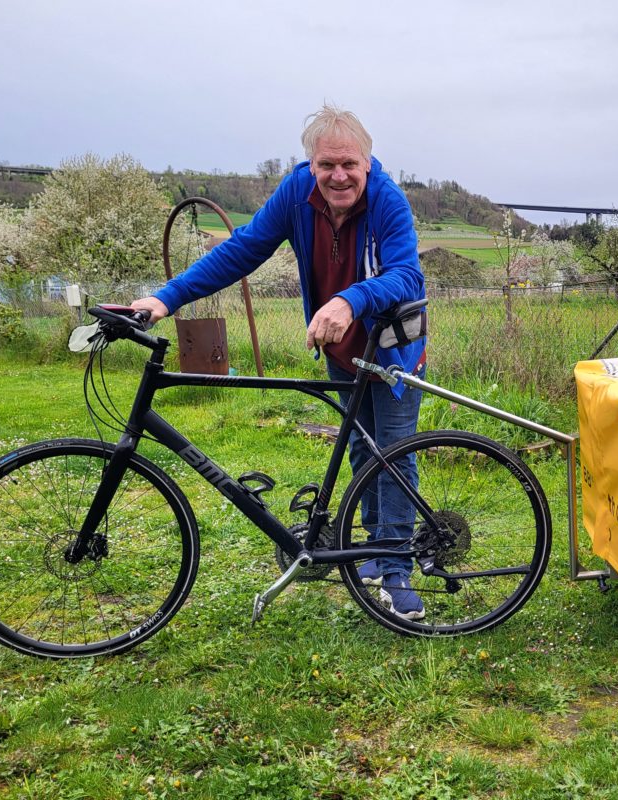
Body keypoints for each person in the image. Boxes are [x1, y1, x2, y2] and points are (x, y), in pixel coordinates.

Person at [131, 104, 427, 619]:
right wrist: (168, 298)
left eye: (350, 165)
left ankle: (395, 567)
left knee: (394, 453)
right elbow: (242, 250)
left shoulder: (388, 201)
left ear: (368, 162)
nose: (339, 176)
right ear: (310, 163)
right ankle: (373, 554)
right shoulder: (295, 194)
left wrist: (350, 299)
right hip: (341, 348)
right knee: (361, 446)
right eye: (327, 164)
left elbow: (407, 276)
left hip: (391, 347)